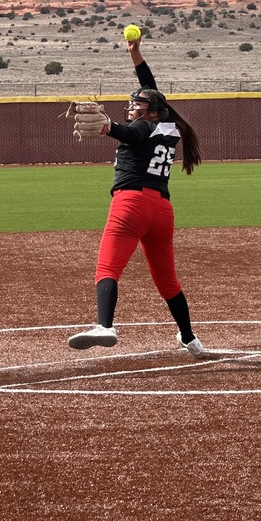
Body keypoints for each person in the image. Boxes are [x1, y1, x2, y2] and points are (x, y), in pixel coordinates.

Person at [67, 33, 205, 357]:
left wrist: (107, 127)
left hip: (131, 204)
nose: (133, 106)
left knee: (107, 268)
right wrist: (136, 55)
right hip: (162, 211)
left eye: (138, 105)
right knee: (168, 283)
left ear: (152, 111)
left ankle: (105, 325)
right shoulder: (167, 125)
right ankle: (190, 338)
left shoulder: (144, 126)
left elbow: (129, 132)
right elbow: (152, 90)